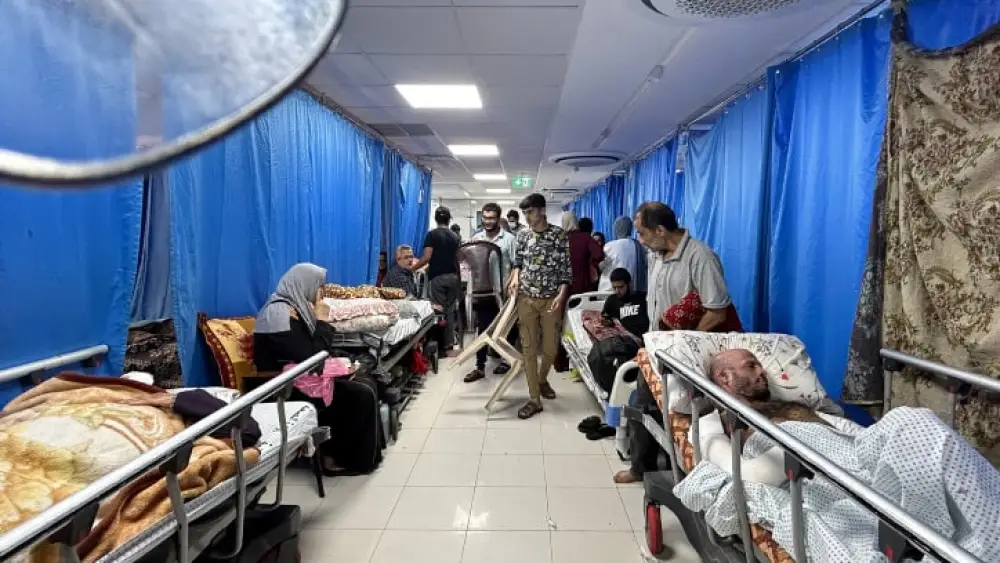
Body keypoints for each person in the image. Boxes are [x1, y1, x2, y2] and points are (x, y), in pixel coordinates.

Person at [614, 201, 742, 484]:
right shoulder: (656, 255)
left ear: (660, 230)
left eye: (642, 233)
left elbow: (717, 309)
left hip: (687, 352)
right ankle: (641, 467)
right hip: (657, 347)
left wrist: (685, 343)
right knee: (640, 401)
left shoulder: (700, 258)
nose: (640, 240)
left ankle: (697, 470)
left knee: (686, 410)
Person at [253, 263, 383, 475]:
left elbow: (313, 356)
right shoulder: (278, 312)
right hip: (283, 387)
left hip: (302, 377)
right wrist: (322, 321)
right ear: (302, 284)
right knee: (360, 394)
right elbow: (311, 359)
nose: (319, 293)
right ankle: (339, 459)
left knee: (366, 381)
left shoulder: (294, 307)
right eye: (317, 286)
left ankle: (365, 457)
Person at [508, 193, 571, 419]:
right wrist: (515, 275)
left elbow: (566, 270)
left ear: (542, 211)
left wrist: (562, 295)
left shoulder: (558, 235)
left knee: (551, 349)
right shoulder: (523, 235)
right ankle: (534, 399)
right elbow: (517, 262)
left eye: (530, 212)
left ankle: (543, 379)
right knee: (529, 349)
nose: (527, 217)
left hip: (551, 299)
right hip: (526, 298)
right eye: (524, 213)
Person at [464, 202, 518, 383]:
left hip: (503, 291)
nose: (488, 221)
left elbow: (516, 265)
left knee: (506, 329)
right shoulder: (477, 238)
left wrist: (512, 285)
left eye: (491, 218)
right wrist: (470, 250)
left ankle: (506, 360)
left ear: (498, 218)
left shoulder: (509, 239)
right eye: (485, 218)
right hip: (483, 290)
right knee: (483, 329)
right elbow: (467, 263)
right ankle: (479, 366)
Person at [410, 206, 462, 351]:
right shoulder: (455, 237)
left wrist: (412, 269)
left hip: (437, 278)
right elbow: (458, 259)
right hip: (453, 277)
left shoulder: (432, 235)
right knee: (450, 310)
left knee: (437, 310)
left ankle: (437, 343)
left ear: (435, 219)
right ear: (449, 219)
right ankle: (449, 342)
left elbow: (427, 257)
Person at [598, 216, 647, 293]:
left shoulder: (610, 246)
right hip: (634, 291)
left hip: (610, 291)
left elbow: (601, 266)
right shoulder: (639, 246)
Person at [563, 213, 604, 296]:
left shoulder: (560, 239)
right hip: (584, 284)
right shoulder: (585, 237)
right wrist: (589, 261)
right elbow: (599, 255)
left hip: (565, 287)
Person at [600, 268, 648, 339]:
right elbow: (605, 318)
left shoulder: (641, 298)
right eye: (614, 287)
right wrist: (607, 322)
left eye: (620, 287)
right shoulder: (611, 301)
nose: (617, 291)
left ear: (628, 284)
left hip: (644, 337)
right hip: (624, 339)